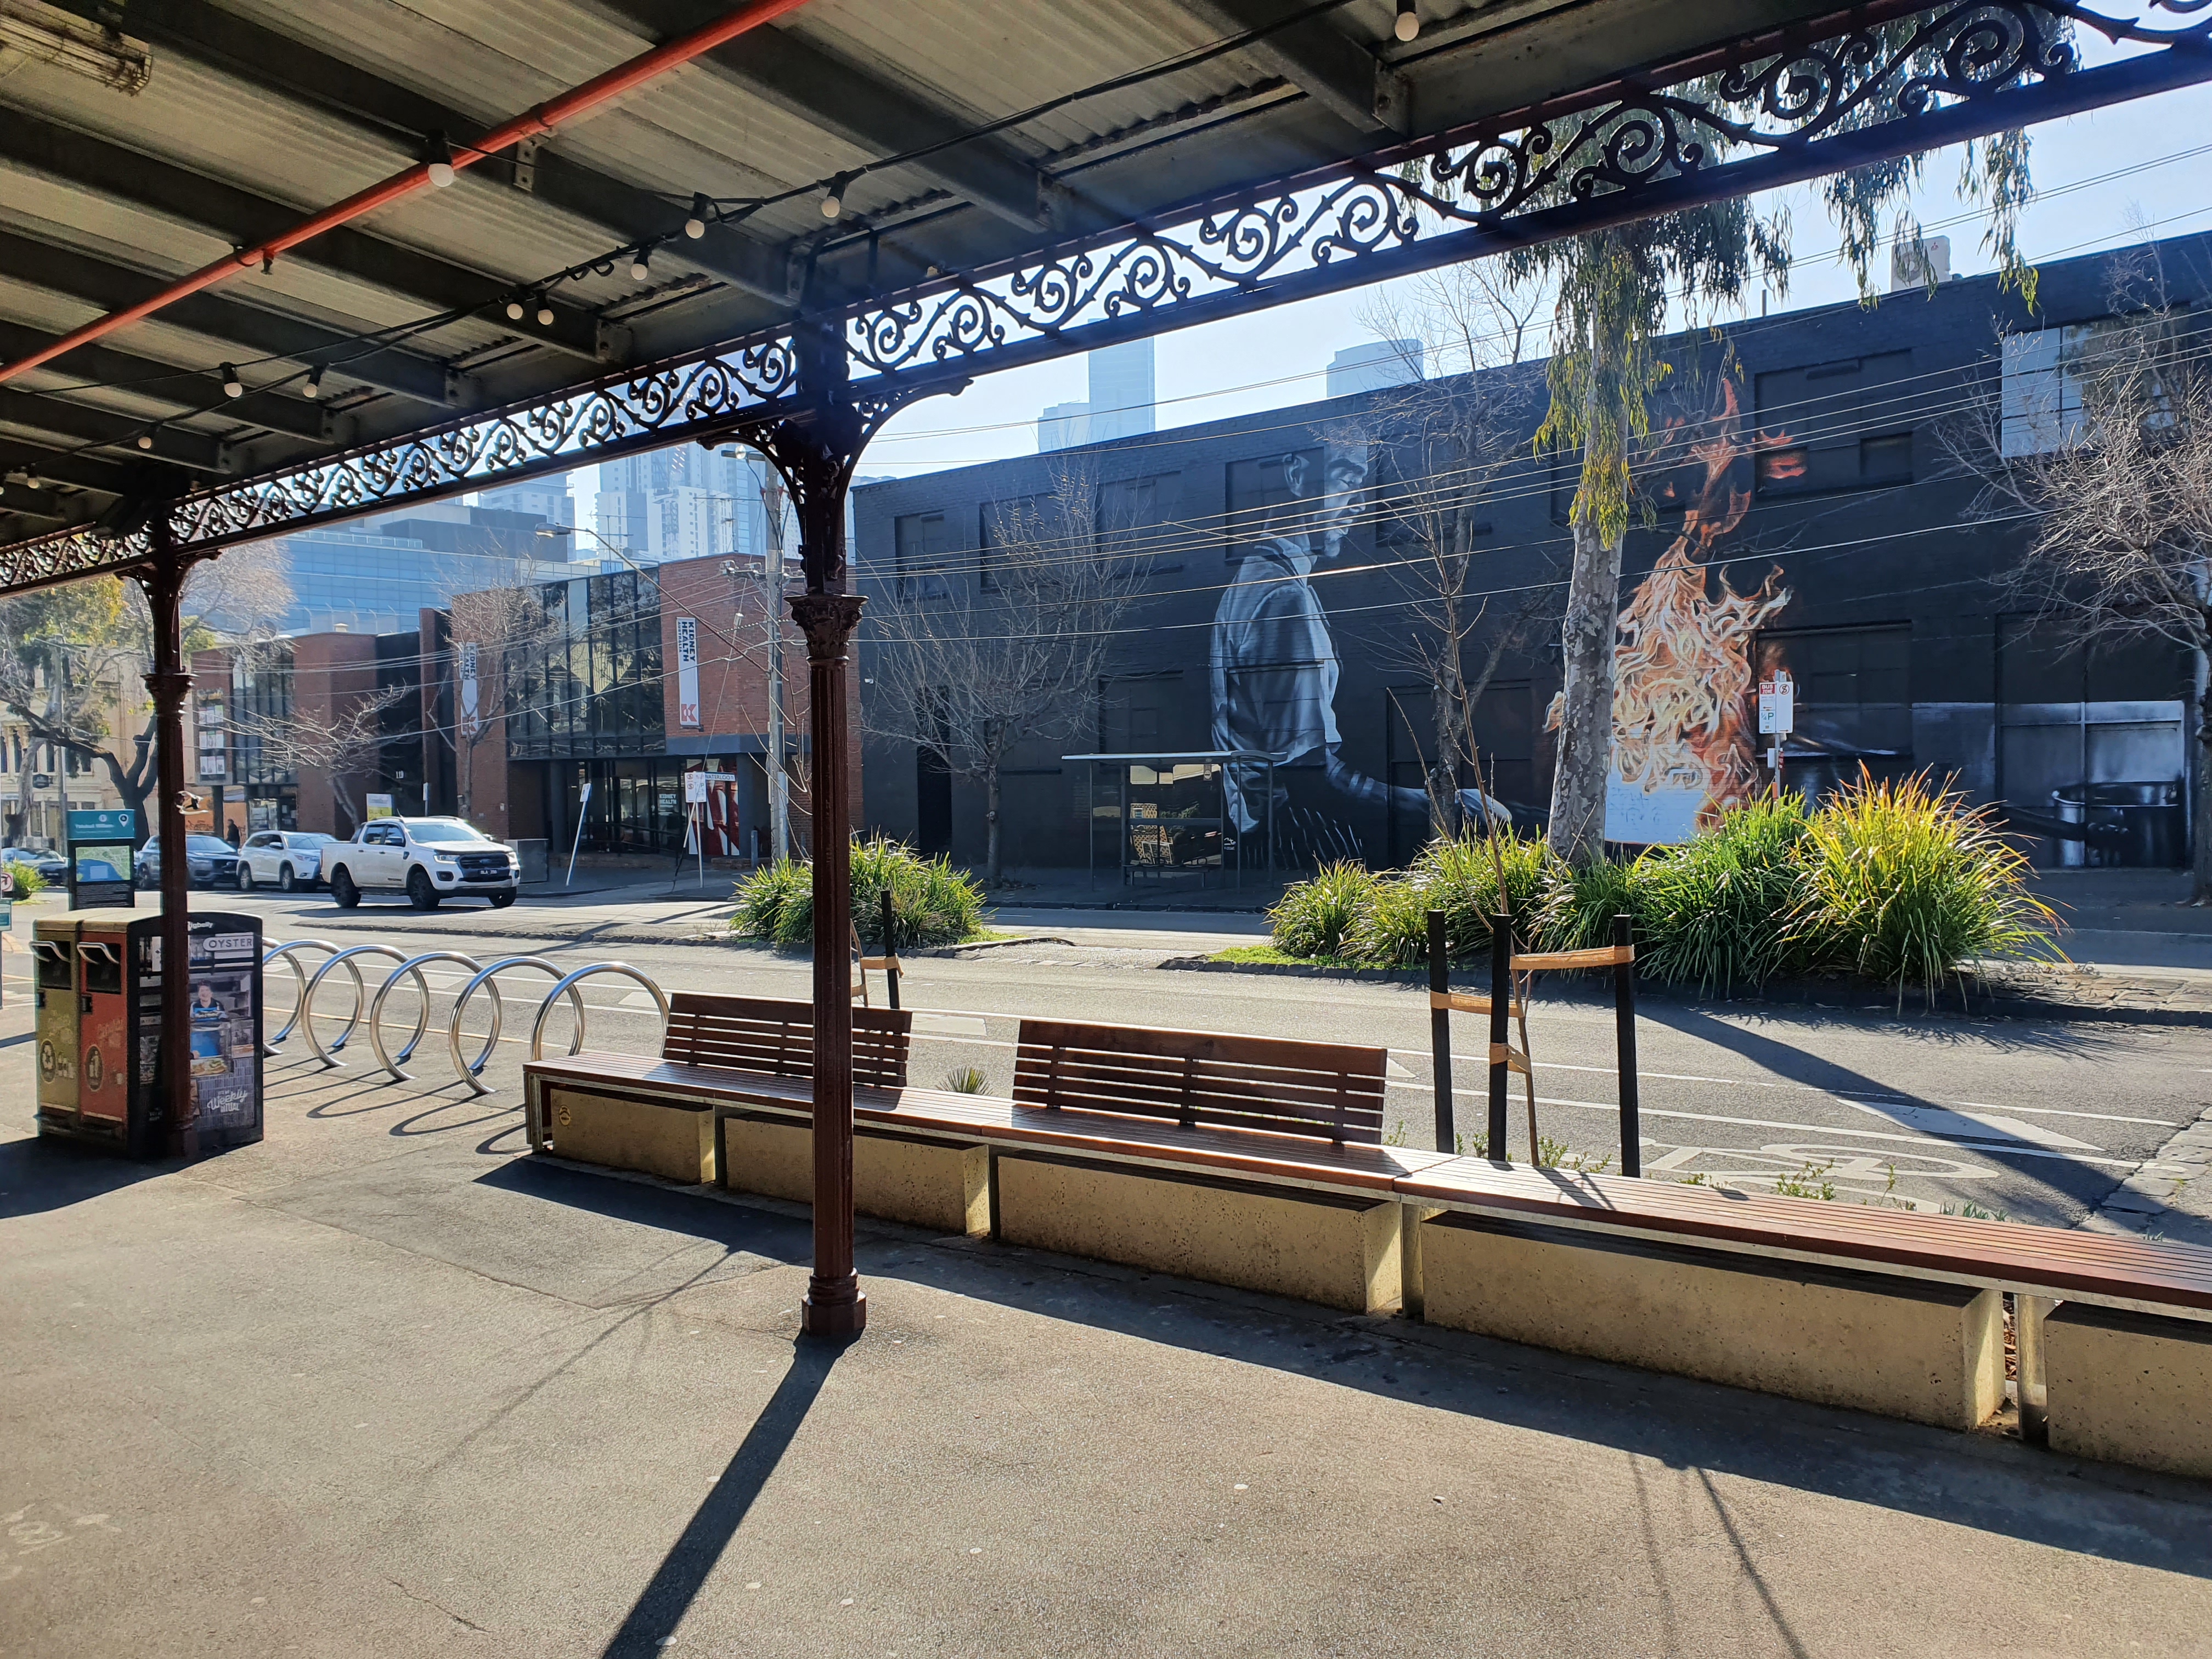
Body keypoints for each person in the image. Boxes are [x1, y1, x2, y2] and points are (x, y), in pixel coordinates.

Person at [1209, 442, 1509, 837]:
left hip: (1266, 834)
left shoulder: (1256, 580)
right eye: (1347, 481)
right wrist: (1449, 808)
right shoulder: (1286, 598)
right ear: (1296, 475)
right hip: (1286, 840)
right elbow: (1310, 781)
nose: (1361, 504)